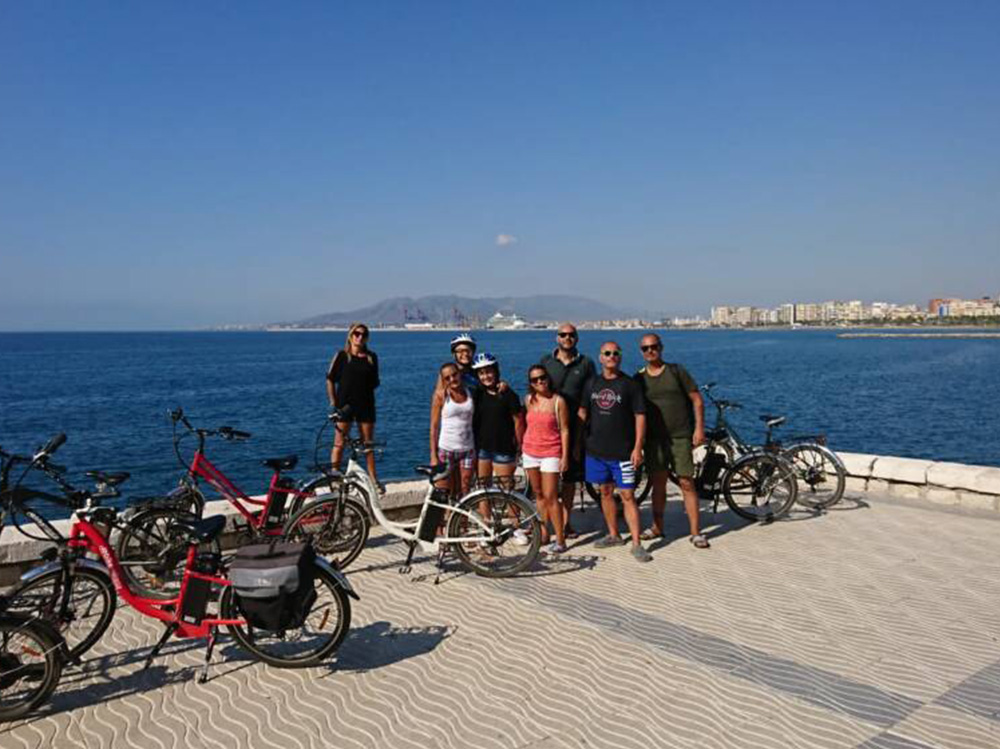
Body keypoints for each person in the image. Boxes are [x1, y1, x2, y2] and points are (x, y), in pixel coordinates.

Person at [577, 341, 650, 562]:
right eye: (607, 353)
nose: (611, 356)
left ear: (620, 357)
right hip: (596, 451)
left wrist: (638, 447)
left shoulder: (630, 385)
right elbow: (582, 412)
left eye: (615, 353)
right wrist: (575, 442)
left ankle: (637, 543)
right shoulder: (591, 384)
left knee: (627, 495)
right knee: (605, 492)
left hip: (623, 452)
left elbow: (640, 416)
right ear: (600, 358)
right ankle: (614, 534)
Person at [635, 333, 709, 548]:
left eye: (654, 347)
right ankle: (658, 527)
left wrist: (699, 429)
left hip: (680, 436)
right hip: (654, 440)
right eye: (645, 348)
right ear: (641, 352)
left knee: (687, 482)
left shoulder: (676, 371)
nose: (650, 351)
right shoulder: (638, 378)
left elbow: (697, 400)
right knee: (658, 484)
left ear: (661, 347)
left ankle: (696, 532)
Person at [541, 323, 595, 536]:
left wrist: (580, 438)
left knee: (570, 479)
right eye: (563, 335)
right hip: (548, 428)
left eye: (571, 335)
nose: (567, 338)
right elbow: (536, 388)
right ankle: (544, 526)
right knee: (547, 481)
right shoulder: (546, 362)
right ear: (557, 338)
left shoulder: (586, 363)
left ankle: (565, 523)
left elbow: (589, 397)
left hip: (574, 427)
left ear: (577, 338)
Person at [523, 365, 571, 554]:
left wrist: (565, 456)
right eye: (535, 380)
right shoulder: (528, 400)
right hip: (530, 451)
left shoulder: (558, 401)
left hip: (551, 451)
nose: (540, 382)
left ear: (548, 378)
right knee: (538, 495)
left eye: (542, 378)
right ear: (531, 384)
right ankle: (543, 533)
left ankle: (560, 539)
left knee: (551, 496)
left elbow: (565, 429)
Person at [326, 322, 380, 487]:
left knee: (367, 445)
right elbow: (330, 379)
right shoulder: (342, 356)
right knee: (339, 443)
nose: (359, 337)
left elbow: (375, 382)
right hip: (345, 406)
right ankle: (335, 478)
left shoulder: (372, 358)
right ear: (350, 335)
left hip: (366, 405)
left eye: (363, 334)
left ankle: (373, 479)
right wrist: (334, 402)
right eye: (356, 333)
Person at [471, 353, 524, 490]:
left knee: (507, 492)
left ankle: (513, 513)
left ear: (496, 371)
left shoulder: (508, 394)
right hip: (482, 449)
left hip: (504, 449)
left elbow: (518, 421)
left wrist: (520, 446)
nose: (486, 376)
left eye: (489, 372)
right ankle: (484, 513)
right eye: (481, 373)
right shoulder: (477, 394)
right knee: (483, 490)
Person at [429, 362, 476, 497]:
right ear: (443, 380)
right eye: (447, 377)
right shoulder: (441, 395)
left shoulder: (470, 392)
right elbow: (434, 426)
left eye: (454, 375)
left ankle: (462, 518)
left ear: (460, 374)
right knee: (445, 489)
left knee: (465, 488)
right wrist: (433, 455)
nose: (452, 379)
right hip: (446, 449)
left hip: (467, 449)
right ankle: (448, 516)